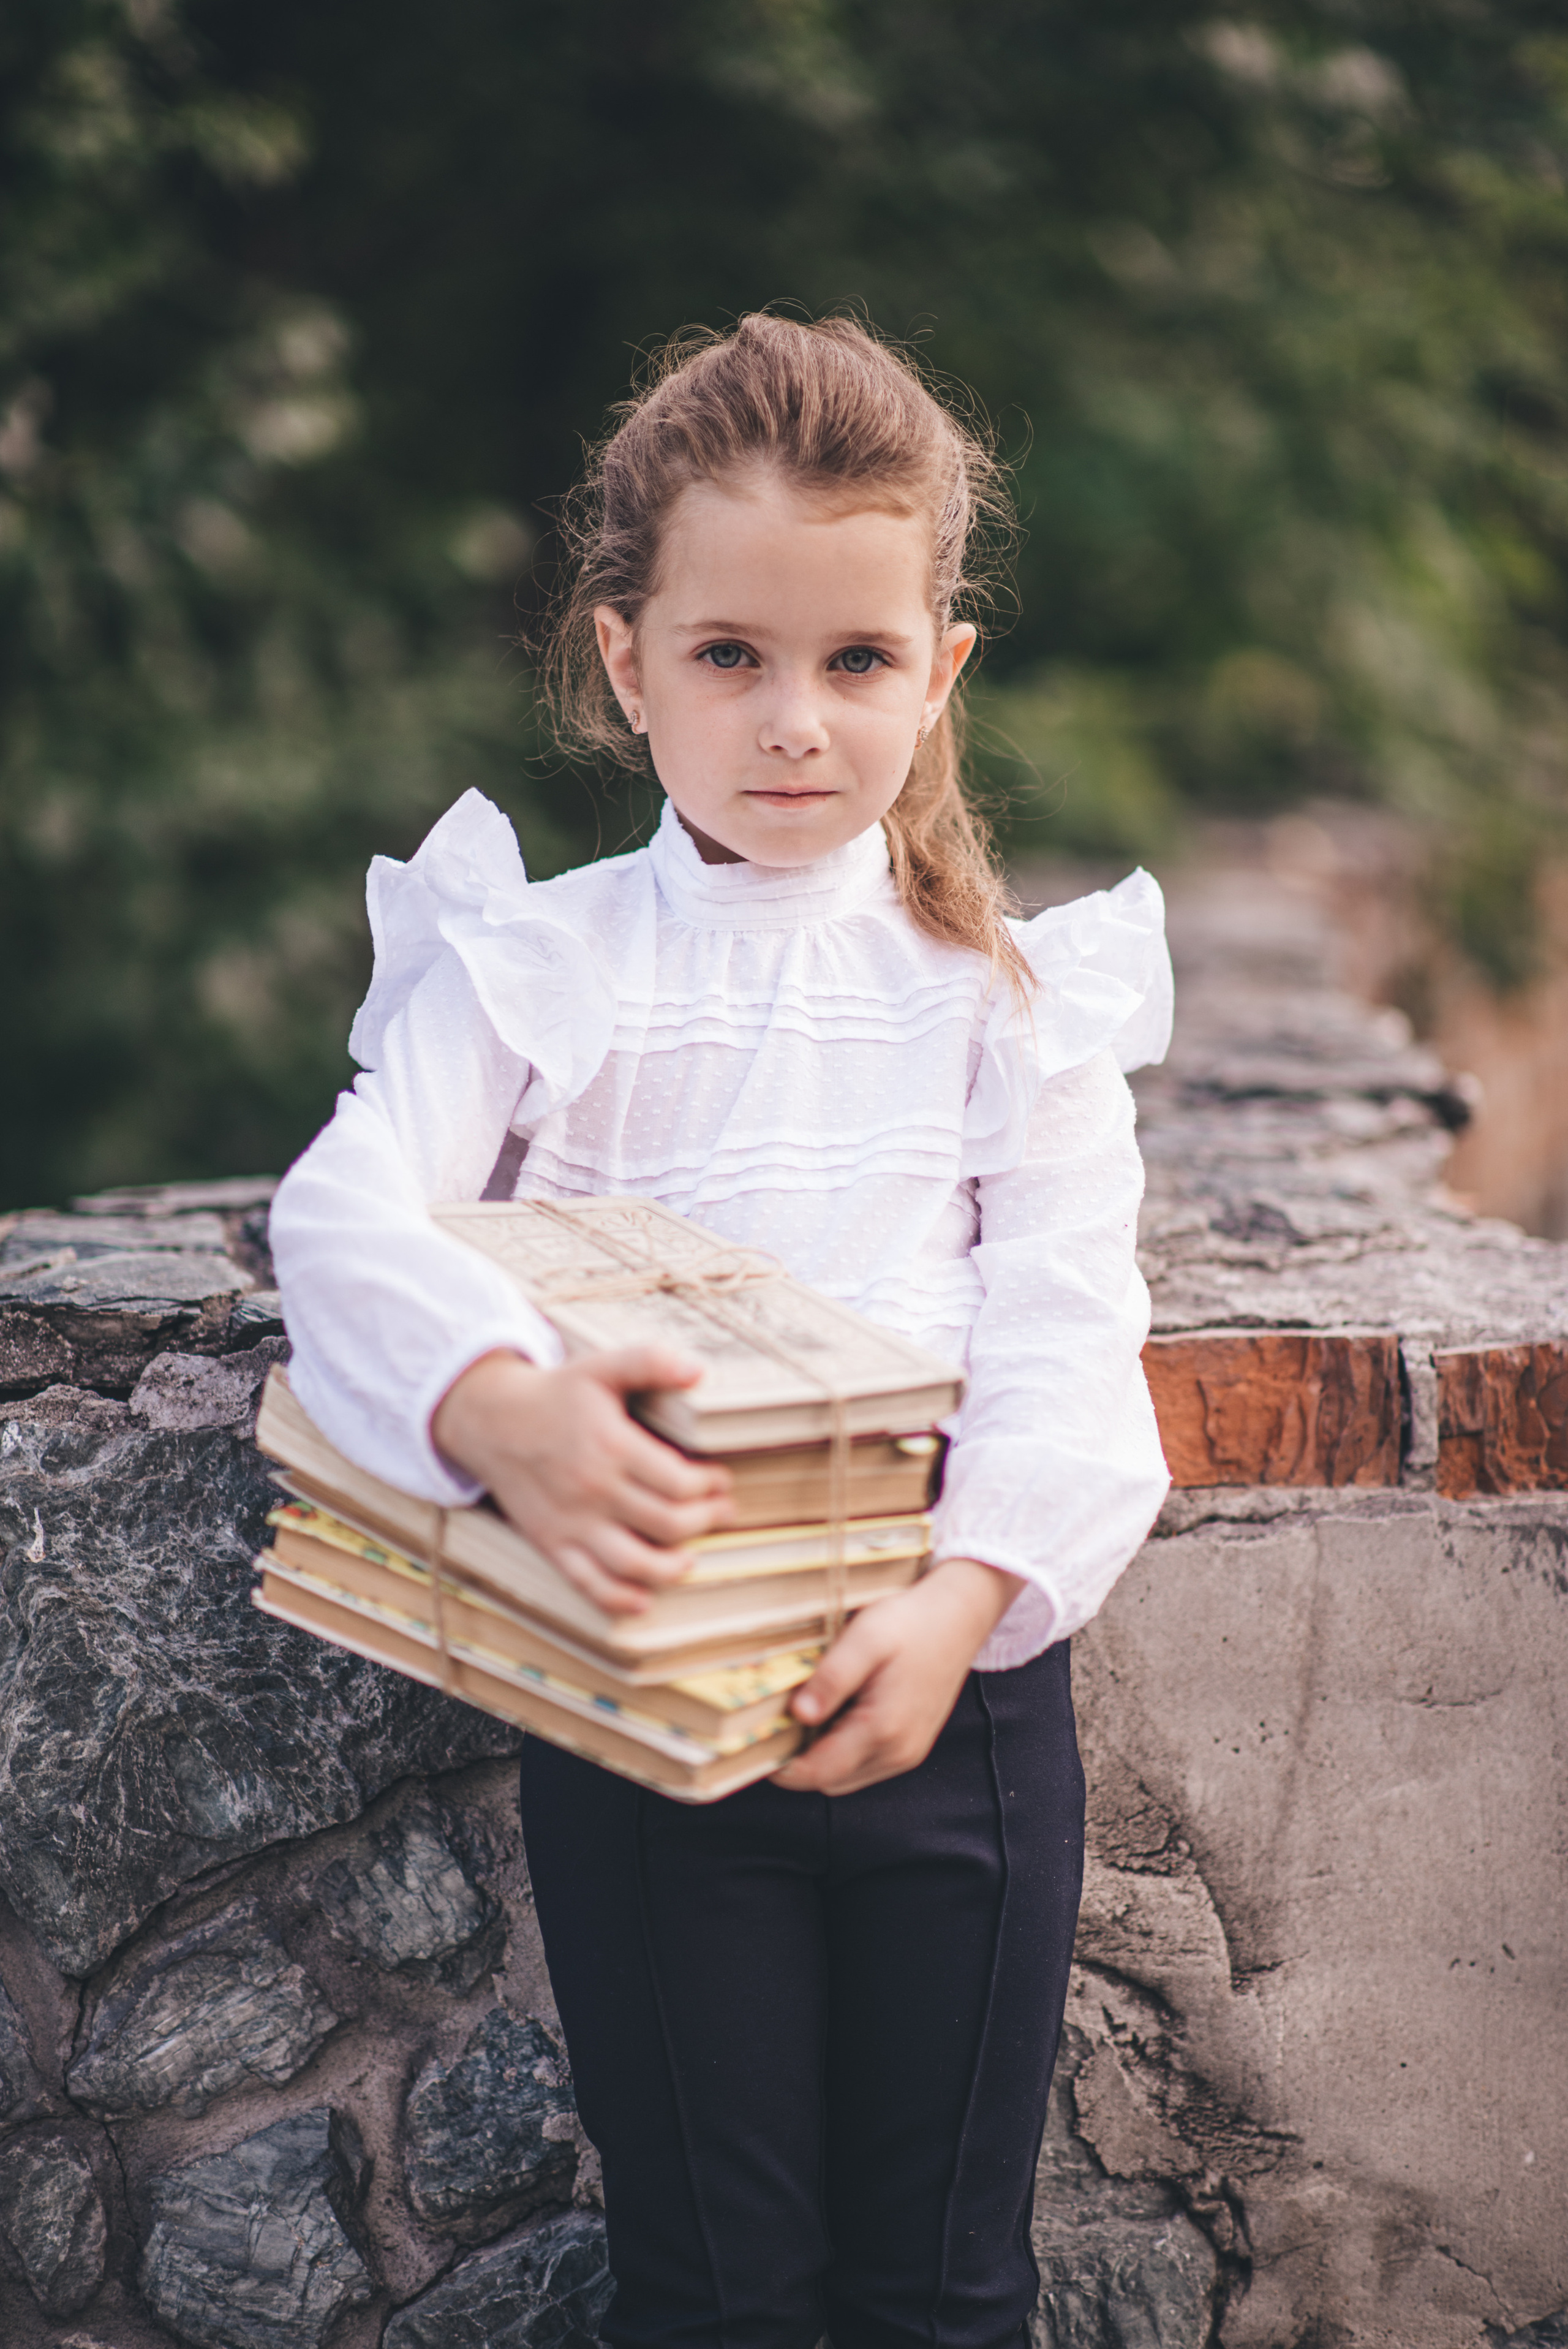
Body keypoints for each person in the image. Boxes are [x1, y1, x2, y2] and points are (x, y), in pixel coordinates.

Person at [269, 312, 1173, 2349]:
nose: (793, 722)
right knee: (716, 2295)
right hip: (647, 1709)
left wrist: (960, 1607)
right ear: (627, 658)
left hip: (961, 1706)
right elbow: (340, 1206)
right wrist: (497, 1403)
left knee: (946, 2287)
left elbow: (1062, 1331)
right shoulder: (541, 959)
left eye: (856, 663)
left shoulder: (1015, 1001)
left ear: (938, 672)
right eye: (730, 656)